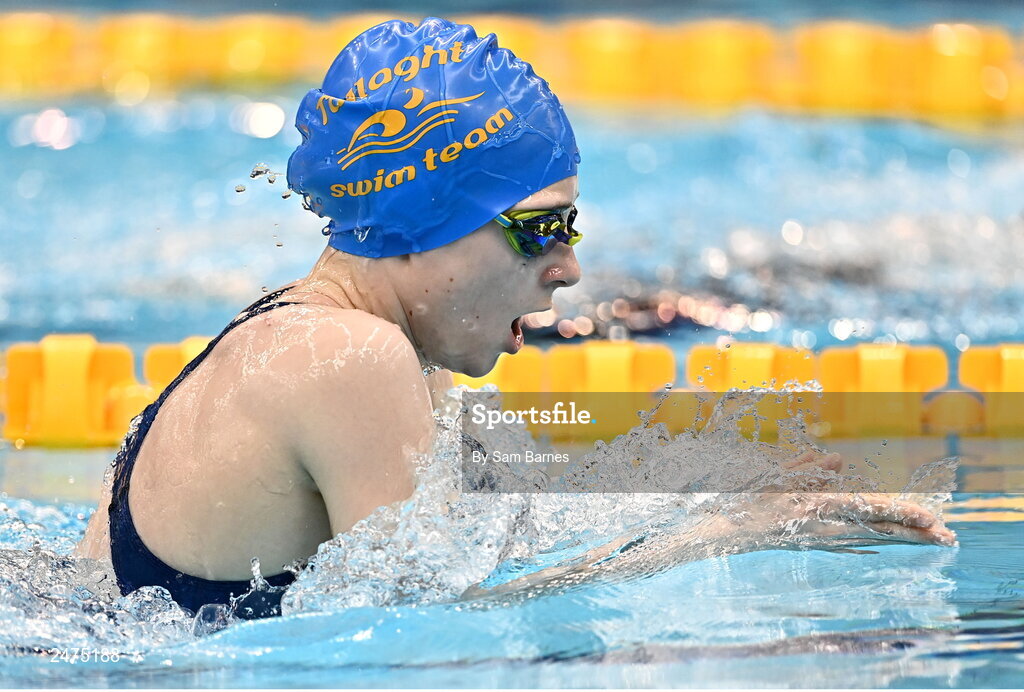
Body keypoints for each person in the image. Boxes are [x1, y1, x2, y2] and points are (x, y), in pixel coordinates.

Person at [74, 17, 955, 620]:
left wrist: (733, 483)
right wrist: (738, 534)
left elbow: (507, 531)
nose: (567, 269)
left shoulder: (309, 332)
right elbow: (443, 621)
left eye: (568, 229)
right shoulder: (348, 356)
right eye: (539, 229)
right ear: (428, 219)